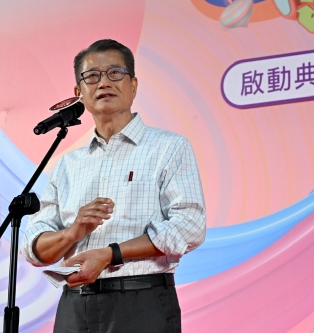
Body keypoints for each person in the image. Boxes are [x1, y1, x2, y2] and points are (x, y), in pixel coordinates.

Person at [20, 39, 206, 333]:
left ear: (133, 85)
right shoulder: (68, 164)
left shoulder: (169, 148)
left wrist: (110, 254)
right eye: (92, 76)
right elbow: (33, 249)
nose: (104, 82)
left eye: (115, 73)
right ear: (79, 93)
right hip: (74, 306)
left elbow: (189, 227)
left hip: (141, 301)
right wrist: (73, 232)